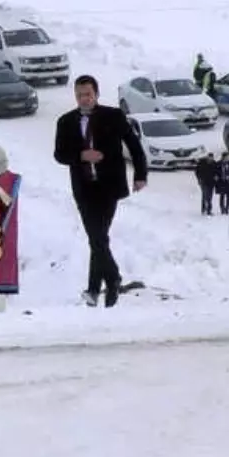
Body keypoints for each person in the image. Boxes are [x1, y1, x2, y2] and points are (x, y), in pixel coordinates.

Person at [53, 74, 147, 308]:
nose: (84, 99)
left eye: (88, 94)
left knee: (98, 237)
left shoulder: (113, 116)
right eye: (79, 95)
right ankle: (109, 280)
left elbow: (133, 145)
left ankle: (97, 287)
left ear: (96, 94)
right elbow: (59, 154)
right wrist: (81, 155)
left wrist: (140, 174)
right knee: (97, 238)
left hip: (109, 186)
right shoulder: (65, 122)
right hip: (84, 187)